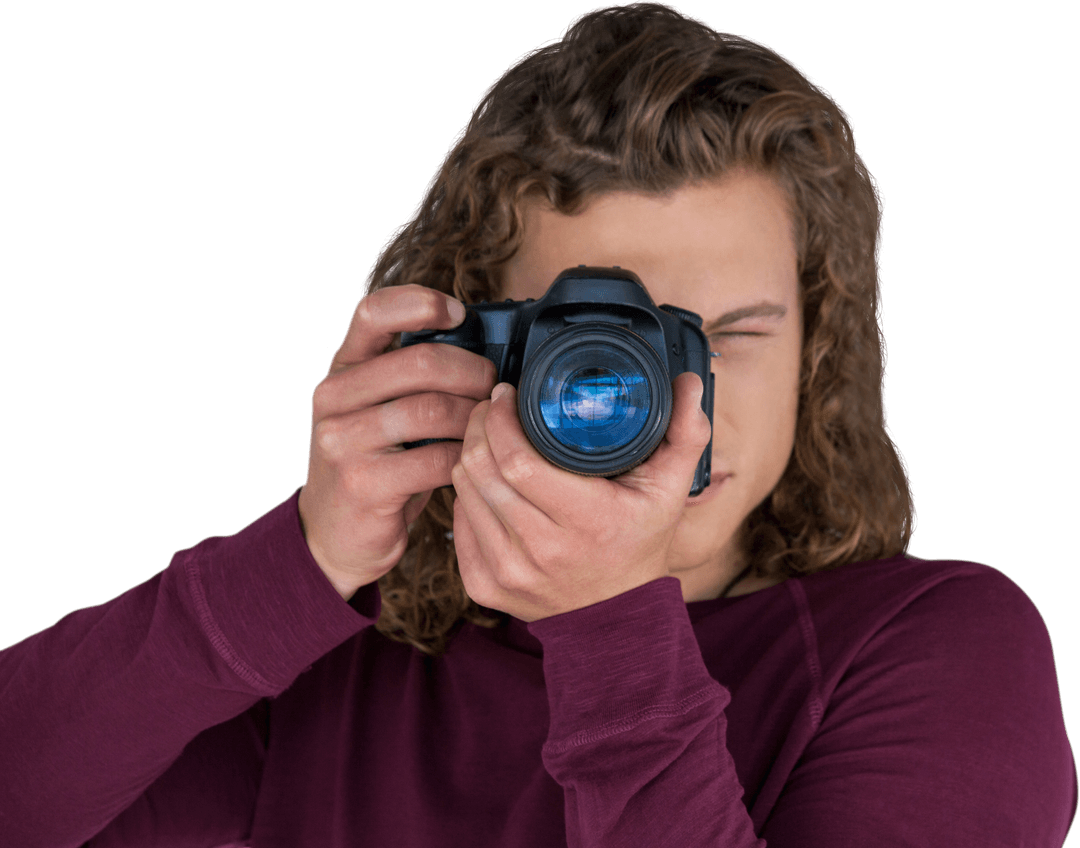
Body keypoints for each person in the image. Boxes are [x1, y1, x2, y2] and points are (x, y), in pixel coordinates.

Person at [1, 2, 1075, 846]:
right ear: (479, 349)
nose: (666, 403)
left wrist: (613, 625)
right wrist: (303, 558)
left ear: (816, 353)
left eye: (728, 336)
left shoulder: (941, 643)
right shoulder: (348, 663)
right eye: (595, 339)